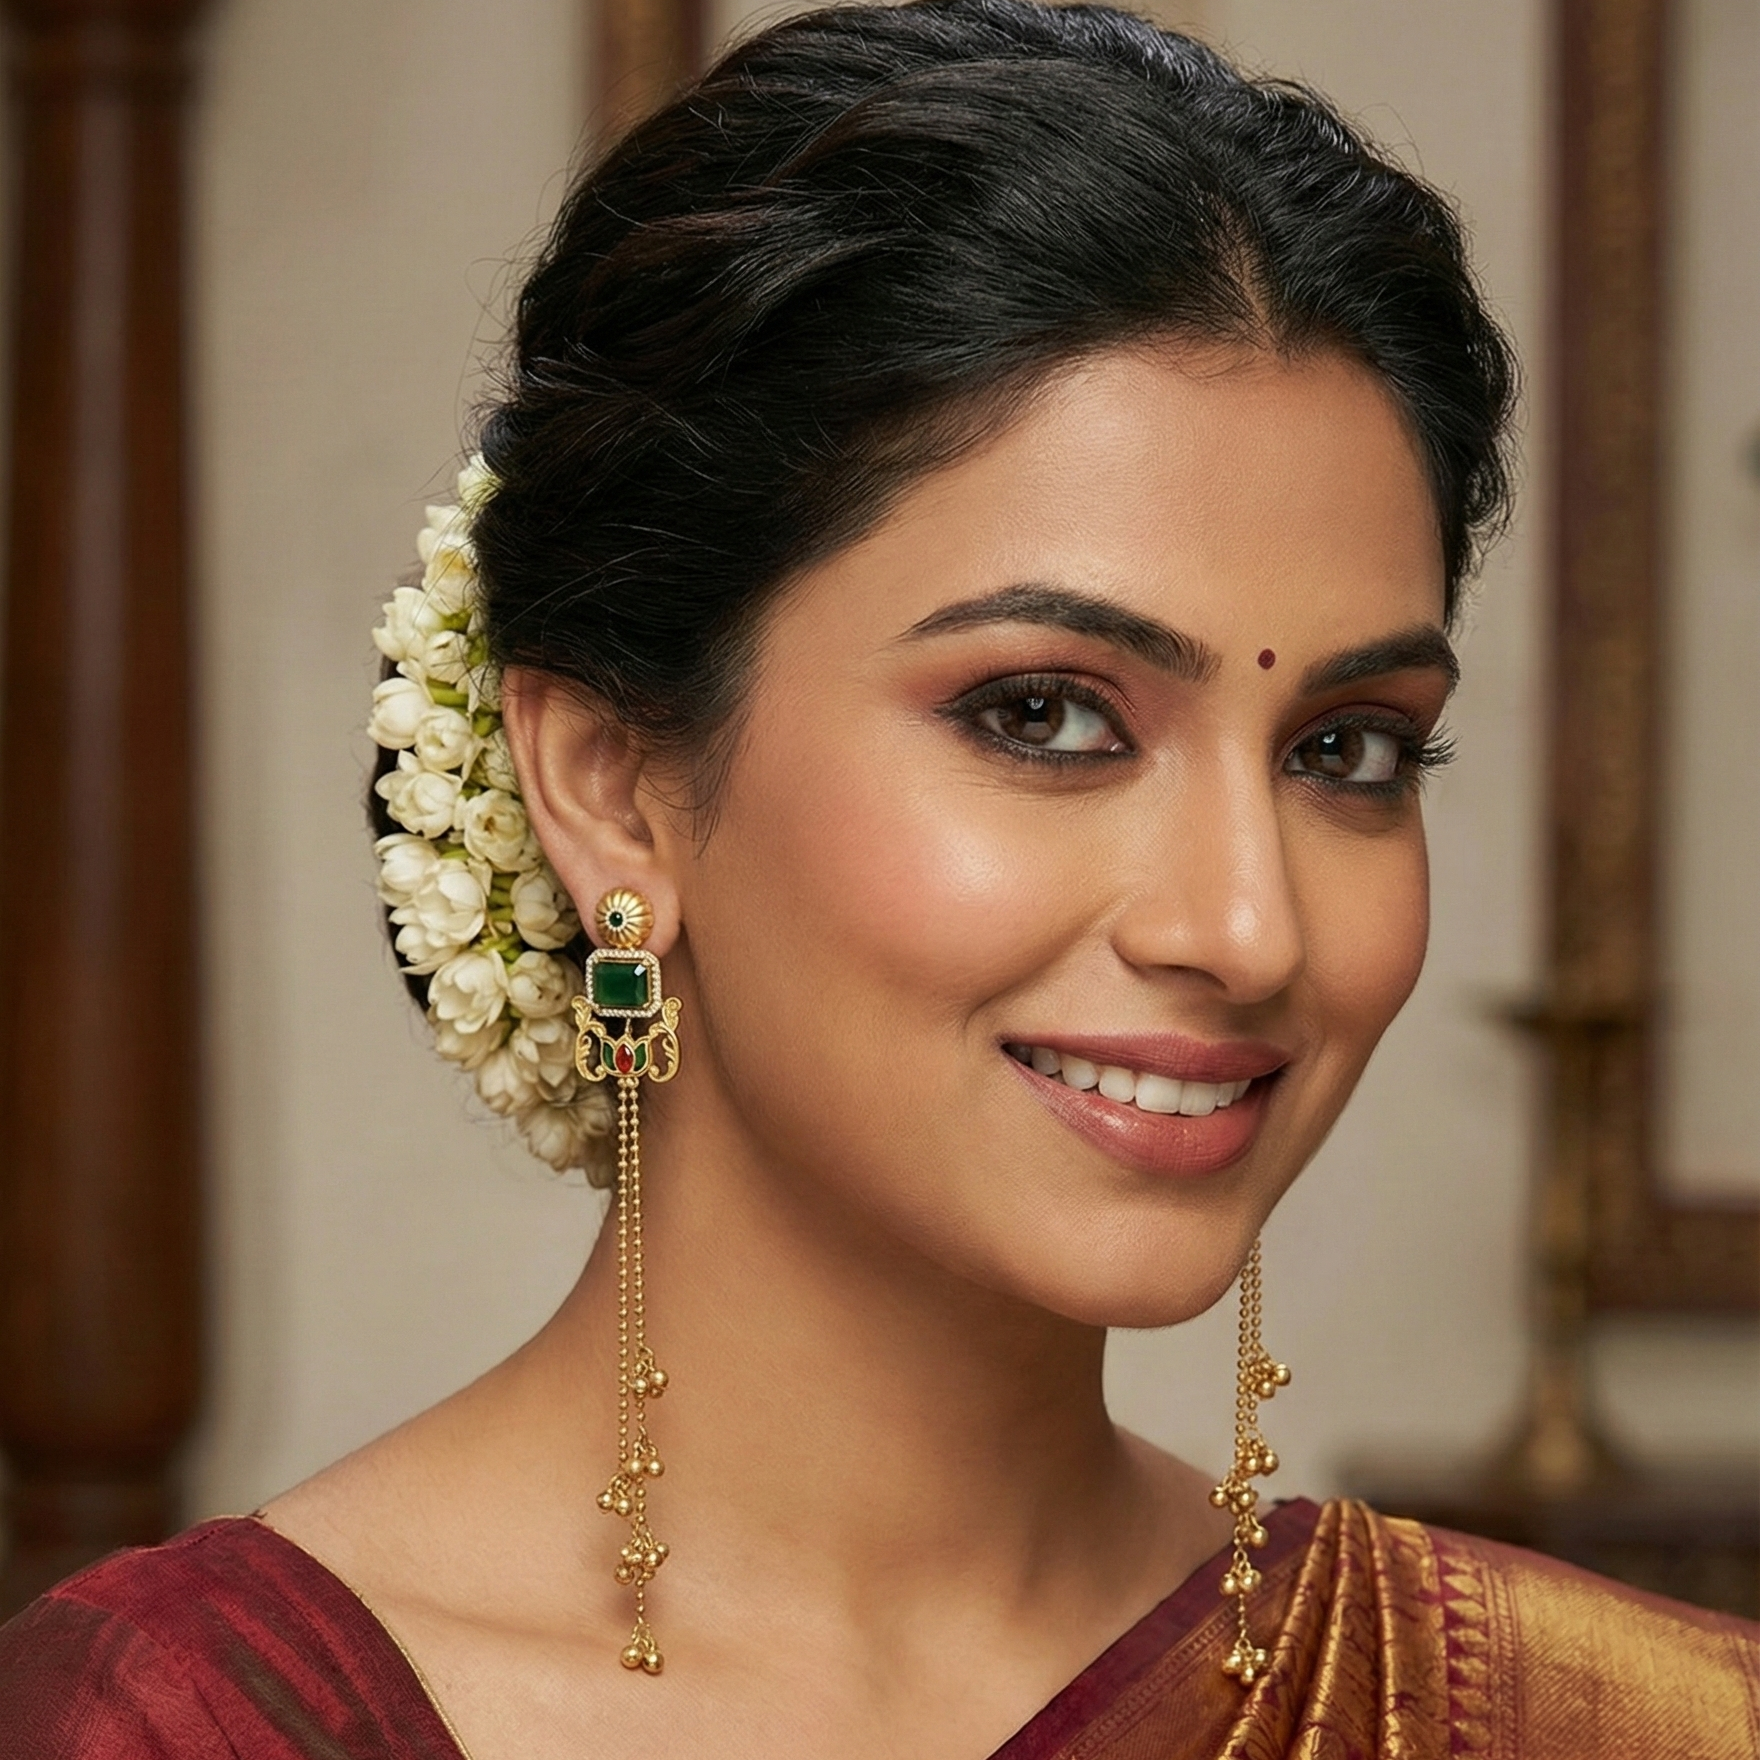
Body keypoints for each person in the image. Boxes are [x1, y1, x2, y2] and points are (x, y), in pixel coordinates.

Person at [2, 1, 1754, 1754]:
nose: (1248, 926)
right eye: (1047, 713)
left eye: (1349, 749)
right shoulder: (162, 1726)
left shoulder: (1619, 1724)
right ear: (611, 785)